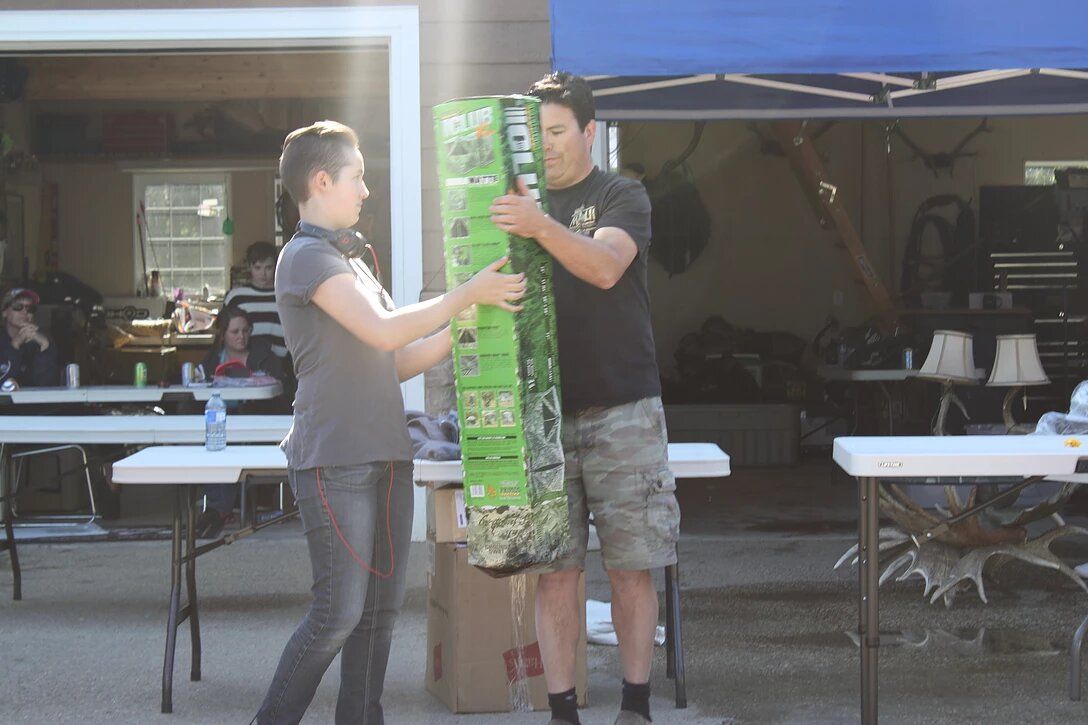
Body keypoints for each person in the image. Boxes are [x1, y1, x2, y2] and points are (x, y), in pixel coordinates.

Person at [255, 120, 525, 724]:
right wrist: (466, 294)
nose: (366, 190)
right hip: (335, 461)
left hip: (386, 457)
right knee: (338, 614)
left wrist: (465, 328)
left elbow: (394, 358)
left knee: (378, 616)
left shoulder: (351, 263)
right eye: (358, 177)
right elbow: (383, 330)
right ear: (322, 181)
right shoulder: (304, 258)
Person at [489, 72, 677, 725]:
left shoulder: (621, 193)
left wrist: (539, 225)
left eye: (558, 131)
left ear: (589, 132)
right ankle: (562, 711)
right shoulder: (511, 206)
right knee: (556, 572)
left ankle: (635, 707)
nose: (546, 146)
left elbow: (604, 267)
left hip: (623, 408)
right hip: (542, 419)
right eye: (534, 135)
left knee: (631, 566)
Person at [195, 305, 286, 538]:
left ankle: (218, 509)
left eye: (245, 331)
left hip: (258, 421)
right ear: (222, 334)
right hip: (223, 422)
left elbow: (278, 386)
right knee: (213, 446)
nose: (241, 337)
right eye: (235, 332)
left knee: (226, 447)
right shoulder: (212, 359)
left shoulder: (263, 354)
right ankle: (219, 508)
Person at [225, 241, 287, 360]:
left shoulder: (285, 296)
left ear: (276, 266)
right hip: (245, 362)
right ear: (249, 267)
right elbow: (224, 332)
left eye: (268, 267)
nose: (263, 274)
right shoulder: (236, 297)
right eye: (257, 268)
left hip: (282, 362)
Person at [0, 288, 59, 388]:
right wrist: (15, 345)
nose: (25, 311)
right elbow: (3, 380)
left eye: (30, 308)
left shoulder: (40, 341)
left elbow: (46, 385)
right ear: (4, 312)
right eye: (18, 307)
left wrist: (45, 346)